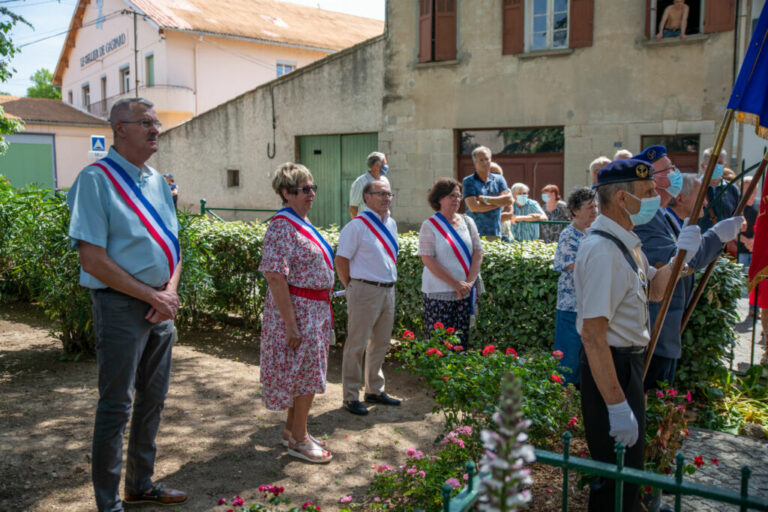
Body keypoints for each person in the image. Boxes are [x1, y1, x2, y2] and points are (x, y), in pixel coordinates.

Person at [67, 98, 186, 511]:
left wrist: (167, 294)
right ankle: (108, 503)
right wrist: (151, 295)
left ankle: (140, 483)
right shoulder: (95, 180)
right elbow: (93, 259)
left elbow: (174, 246)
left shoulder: (157, 181)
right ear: (120, 128)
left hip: (159, 310)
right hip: (120, 307)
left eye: (156, 123)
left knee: (153, 400)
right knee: (117, 405)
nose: (156, 129)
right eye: (146, 123)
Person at [574, 158, 701, 512]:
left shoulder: (626, 242)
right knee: (615, 480)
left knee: (628, 477)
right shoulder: (602, 251)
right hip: (610, 366)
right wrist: (615, 405)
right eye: (646, 193)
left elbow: (654, 290)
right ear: (621, 199)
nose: (654, 198)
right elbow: (593, 336)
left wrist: (681, 256)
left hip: (626, 363)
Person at [632, 145, 742, 390]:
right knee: (651, 402)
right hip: (654, 329)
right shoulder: (647, 218)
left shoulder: (664, 215)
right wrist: (716, 236)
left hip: (666, 328)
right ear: (654, 180)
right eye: (669, 169)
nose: (676, 173)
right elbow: (677, 262)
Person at [259, 162, 334, 464]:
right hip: (299, 312)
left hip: (313, 310)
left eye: (313, 187)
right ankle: (299, 440)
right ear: (286, 193)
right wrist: (291, 324)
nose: (311, 193)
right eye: (305, 189)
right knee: (304, 376)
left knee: (304, 373)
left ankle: (293, 431)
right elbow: (275, 275)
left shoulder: (300, 223)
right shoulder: (282, 225)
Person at [336, 180, 401, 416]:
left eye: (389, 193)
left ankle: (374, 389)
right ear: (366, 198)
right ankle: (350, 395)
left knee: (381, 343)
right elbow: (341, 259)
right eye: (380, 194)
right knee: (356, 344)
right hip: (364, 289)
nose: (386, 198)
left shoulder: (391, 224)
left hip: (387, 289)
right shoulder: (357, 226)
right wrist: (350, 286)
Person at [418, 178, 483, 348]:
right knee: (439, 345)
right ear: (439, 199)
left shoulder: (468, 222)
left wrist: (468, 283)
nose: (457, 200)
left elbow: (477, 252)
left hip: (464, 293)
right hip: (438, 294)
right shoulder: (429, 225)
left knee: (460, 343)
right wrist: (455, 284)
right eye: (451, 196)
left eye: (458, 196)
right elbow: (427, 259)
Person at [553, 187, 597, 385]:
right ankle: (565, 399)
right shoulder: (568, 235)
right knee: (568, 359)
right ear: (575, 211)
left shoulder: (596, 233)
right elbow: (570, 264)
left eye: (596, 206)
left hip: (592, 306)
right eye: (589, 207)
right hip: (571, 306)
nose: (594, 211)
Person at [462, 146, 513, 239]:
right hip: (474, 234)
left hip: (495, 233)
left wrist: (484, 199)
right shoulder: (468, 181)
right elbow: (473, 207)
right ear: (475, 163)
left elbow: (509, 200)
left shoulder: (499, 179)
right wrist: (499, 203)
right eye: (481, 160)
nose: (485, 162)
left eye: (487, 159)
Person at [697, 147, 741, 232]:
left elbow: (738, 217)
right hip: (699, 242)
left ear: (724, 165)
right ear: (703, 166)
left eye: (720, 163)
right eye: (712, 163)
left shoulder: (732, 189)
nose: (716, 166)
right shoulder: (695, 189)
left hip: (724, 243)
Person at [349, 151, 390, 218]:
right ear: (377, 165)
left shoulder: (385, 181)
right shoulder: (360, 182)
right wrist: (358, 226)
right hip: (367, 224)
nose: (386, 166)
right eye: (385, 163)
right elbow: (353, 208)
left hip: (384, 223)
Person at [739, 176, 759, 269]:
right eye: (748, 189)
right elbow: (734, 227)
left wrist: (754, 240)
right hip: (739, 249)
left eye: (753, 189)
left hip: (757, 250)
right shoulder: (737, 205)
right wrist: (747, 241)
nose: (751, 192)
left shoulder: (761, 205)